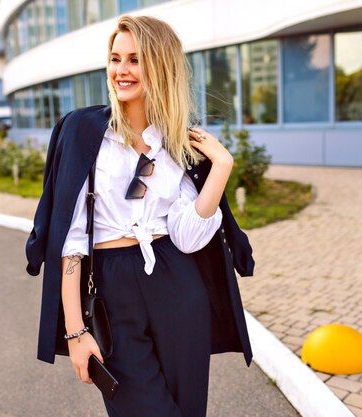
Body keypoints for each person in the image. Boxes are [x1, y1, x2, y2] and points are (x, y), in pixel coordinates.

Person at [26, 15, 255, 417]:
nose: (121, 70)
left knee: (187, 410)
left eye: (135, 59)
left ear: (161, 65)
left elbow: (188, 236)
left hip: (178, 283)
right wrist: (76, 331)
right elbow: (72, 241)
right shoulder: (84, 131)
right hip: (113, 287)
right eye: (115, 59)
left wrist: (220, 167)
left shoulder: (178, 142)